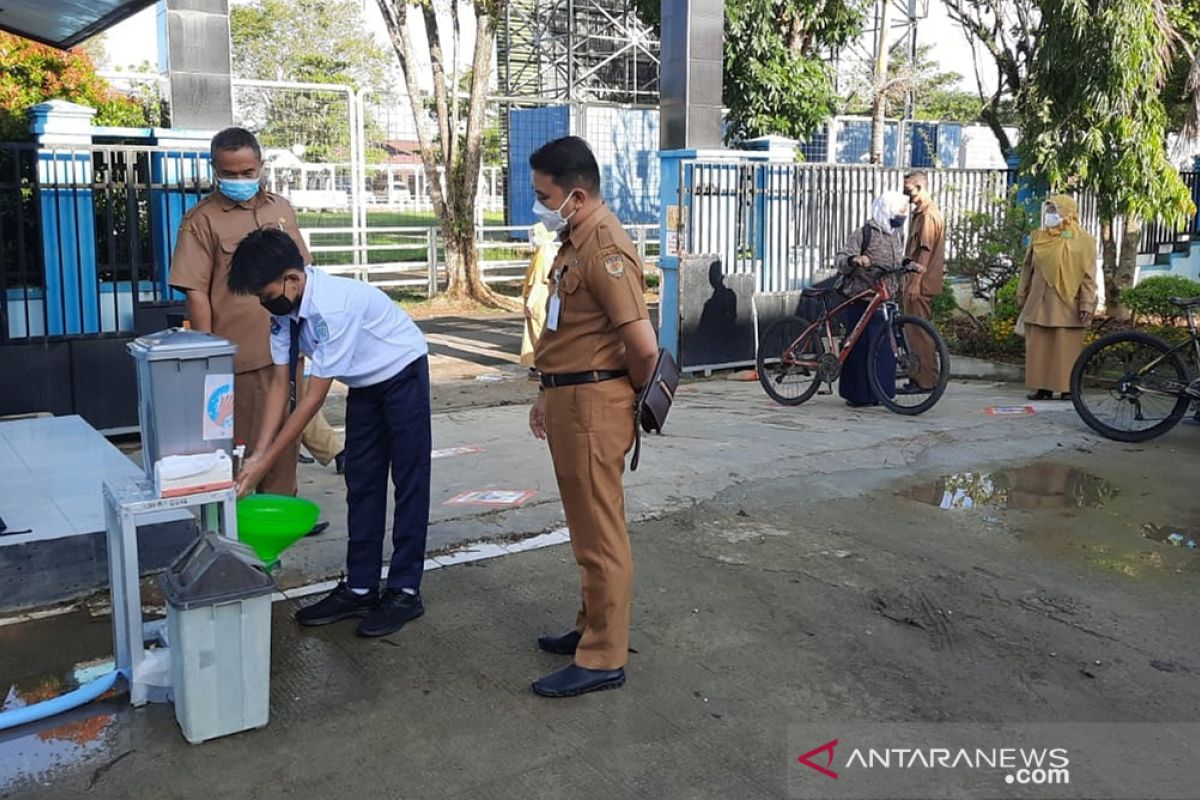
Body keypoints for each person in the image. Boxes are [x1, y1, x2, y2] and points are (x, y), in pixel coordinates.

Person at [228, 228, 432, 639]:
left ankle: (405, 589)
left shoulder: (333, 308)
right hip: (365, 384)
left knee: (409, 481)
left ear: (292, 278)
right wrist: (255, 455)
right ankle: (360, 586)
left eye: (268, 294)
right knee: (361, 481)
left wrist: (264, 464)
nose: (267, 303)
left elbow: (310, 401)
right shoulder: (283, 308)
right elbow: (278, 385)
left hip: (402, 372)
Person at [527, 136, 659, 698]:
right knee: (587, 528)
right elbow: (567, 330)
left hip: (593, 404)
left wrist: (626, 404)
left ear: (575, 195)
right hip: (569, 397)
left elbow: (644, 346)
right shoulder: (574, 237)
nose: (538, 203)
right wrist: (546, 391)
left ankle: (604, 655)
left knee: (600, 534)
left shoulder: (605, 245)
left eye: (543, 195)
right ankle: (591, 627)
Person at [168, 127, 344, 500]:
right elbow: (196, 293)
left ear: (260, 165)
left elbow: (303, 274)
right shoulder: (201, 220)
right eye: (229, 173)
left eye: (247, 172)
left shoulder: (279, 209)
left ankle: (278, 520)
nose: (239, 180)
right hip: (241, 358)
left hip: (288, 347)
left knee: (286, 443)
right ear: (214, 169)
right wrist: (209, 358)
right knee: (244, 446)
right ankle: (242, 530)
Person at [833, 191, 909, 408]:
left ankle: (882, 393)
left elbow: (896, 259)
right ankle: (857, 396)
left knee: (883, 350)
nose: (902, 216)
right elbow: (840, 258)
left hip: (884, 300)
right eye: (899, 211)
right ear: (887, 209)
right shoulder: (863, 233)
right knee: (859, 349)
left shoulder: (896, 235)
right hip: (861, 298)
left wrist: (908, 264)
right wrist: (855, 259)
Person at [1017, 195, 1097, 401]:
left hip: (1068, 302)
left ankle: (1067, 388)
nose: (1050, 215)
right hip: (1039, 299)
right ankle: (1042, 387)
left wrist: (1087, 303)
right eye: (1049, 210)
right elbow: (1027, 268)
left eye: (1054, 210)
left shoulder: (1084, 241)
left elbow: (1089, 276)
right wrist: (1022, 293)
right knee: (1039, 345)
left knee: (1065, 347)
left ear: (1068, 212)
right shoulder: (1039, 237)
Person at [902, 170, 945, 392]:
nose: (906, 196)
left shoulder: (928, 215)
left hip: (921, 282)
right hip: (917, 280)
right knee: (914, 331)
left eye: (909, 191)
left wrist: (915, 282)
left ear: (920, 187)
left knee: (920, 333)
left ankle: (925, 380)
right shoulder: (921, 212)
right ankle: (921, 377)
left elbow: (924, 252)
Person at [520, 222, 559, 372]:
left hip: (538, 297)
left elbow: (538, 280)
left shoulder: (543, 254)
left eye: (535, 235)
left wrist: (530, 302)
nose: (533, 238)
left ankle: (541, 362)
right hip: (542, 295)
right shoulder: (546, 251)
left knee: (538, 330)